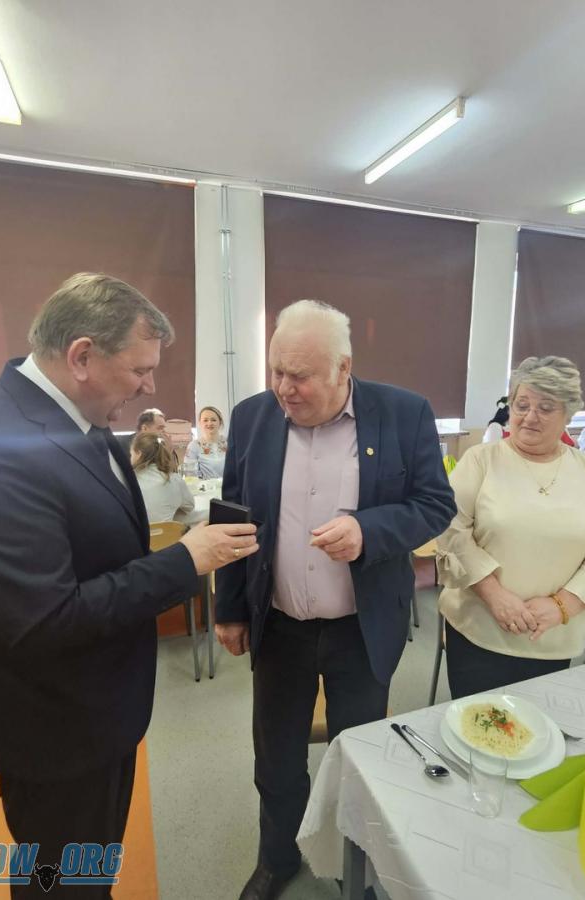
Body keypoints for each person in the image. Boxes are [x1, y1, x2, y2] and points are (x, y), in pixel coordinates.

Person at [0, 273, 259, 900]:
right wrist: (184, 561)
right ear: (81, 357)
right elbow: (46, 620)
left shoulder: (78, 416)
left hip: (100, 710)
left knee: (90, 870)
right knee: (60, 883)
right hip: (55, 728)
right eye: (140, 369)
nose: (149, 387)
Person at [214, 299, 455, 900]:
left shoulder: (403, 413)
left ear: (343, 367)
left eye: (299, 376)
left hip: (360, 628)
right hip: (279, 626)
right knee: (276, 759)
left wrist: (369, 531)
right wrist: (229, 608)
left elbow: (435, 505)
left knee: (361, 757)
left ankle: (360, 869)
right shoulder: (252, 417)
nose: (284, 389)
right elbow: (232, 517)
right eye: (276, 371)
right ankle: (277, 858)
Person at [437, 356, 585, 699]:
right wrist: (494, 595)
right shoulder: (481, 460)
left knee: (540, 719)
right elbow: (452, 530)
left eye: (545, 408)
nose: (530, 416)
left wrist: (563, 604)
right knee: (478, 719)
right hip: (481, 626)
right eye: (522, 404)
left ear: (568, 415)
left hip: (557, 633)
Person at [131, 431, 195, 522]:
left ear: (138, 453)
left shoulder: (128, 481)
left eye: (131, 454)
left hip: (138, 531)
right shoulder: (174, 479)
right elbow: (189, 507)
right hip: (168, 531)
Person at [183, 405, 228, 478]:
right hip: (204, 485)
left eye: (213, 420)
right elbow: (189, 474)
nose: (209, 423)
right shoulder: (194, 446)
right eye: (205, 420)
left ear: (220, 422)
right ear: (200, 423)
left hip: (230, 484)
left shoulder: (229, 442)